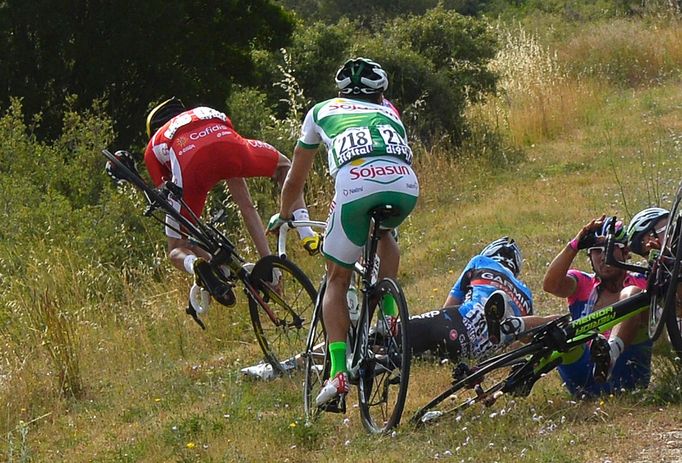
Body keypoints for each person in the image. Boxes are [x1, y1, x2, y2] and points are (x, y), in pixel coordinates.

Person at [268, 57, 419, 406]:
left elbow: (295, 178)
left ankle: (338, 373)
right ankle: (391, 316)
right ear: (380, 94)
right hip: (405, 187)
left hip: (355, 188)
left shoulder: (320, 111)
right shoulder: (391, 112)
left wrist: (283, 212)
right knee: (383, 234)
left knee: (337, 278)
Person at [141, 98, 318, 306]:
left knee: (177, 245)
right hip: (225, 139)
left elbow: (170, 201)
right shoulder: (203, 111)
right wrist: (270, 265)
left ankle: (198, 264)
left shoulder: (153, 147)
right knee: (284, 166)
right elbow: (247, 206)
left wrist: (188, 239)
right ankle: (305, 232)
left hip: (189, 162)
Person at [543, 216, 651, 397]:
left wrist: (656, 260)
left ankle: (610, 353)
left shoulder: (642, 280)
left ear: (625, 253)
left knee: (633, 295)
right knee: (554, 325)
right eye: (596, 251)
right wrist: (574, 245)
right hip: (583, 378)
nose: (603, 256)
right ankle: (509, 330)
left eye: (610, 248)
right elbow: (550, 286)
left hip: (628, 375)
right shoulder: (582, 282)